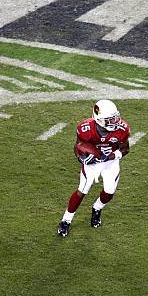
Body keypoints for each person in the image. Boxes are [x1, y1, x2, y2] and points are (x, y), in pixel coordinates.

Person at [57, 100, 130, 237]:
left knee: (109, 192)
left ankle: (97, 208)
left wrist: (111, 156)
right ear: (100, 120)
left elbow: (126, 149)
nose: (116, 122)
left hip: (110, 161)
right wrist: (83, 158)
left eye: (116, 117)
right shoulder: (85, 129)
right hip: (92, 163)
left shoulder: (122, 129)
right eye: (111, 119)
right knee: (82, 190)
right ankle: (66, 220)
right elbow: (78, 146)